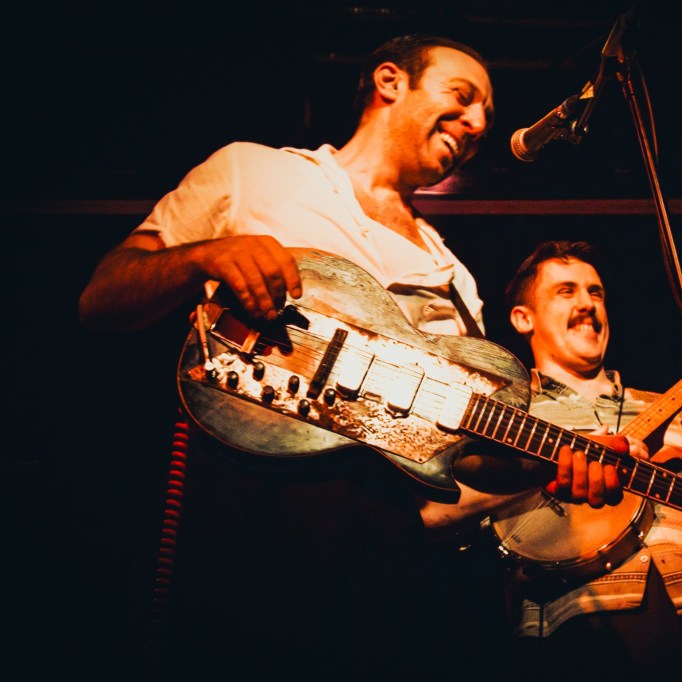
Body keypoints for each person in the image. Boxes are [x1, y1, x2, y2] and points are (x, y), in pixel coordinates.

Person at [78, 35, 621, 679]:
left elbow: (467, 454)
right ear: (390, 81)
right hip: (244, 513)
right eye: (463, 96)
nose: (478, 123)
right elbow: (101, 298)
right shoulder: (255, 172)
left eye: (487, 114)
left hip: (386, 559)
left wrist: (553, 461)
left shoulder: (455, 277)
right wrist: (203, 256)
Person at [483, 240, 682, 677]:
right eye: (566, 291)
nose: (587, 304)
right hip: (585, 624)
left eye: (595, 292)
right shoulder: (507, 418)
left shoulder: (676, 410)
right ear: (523, 318)